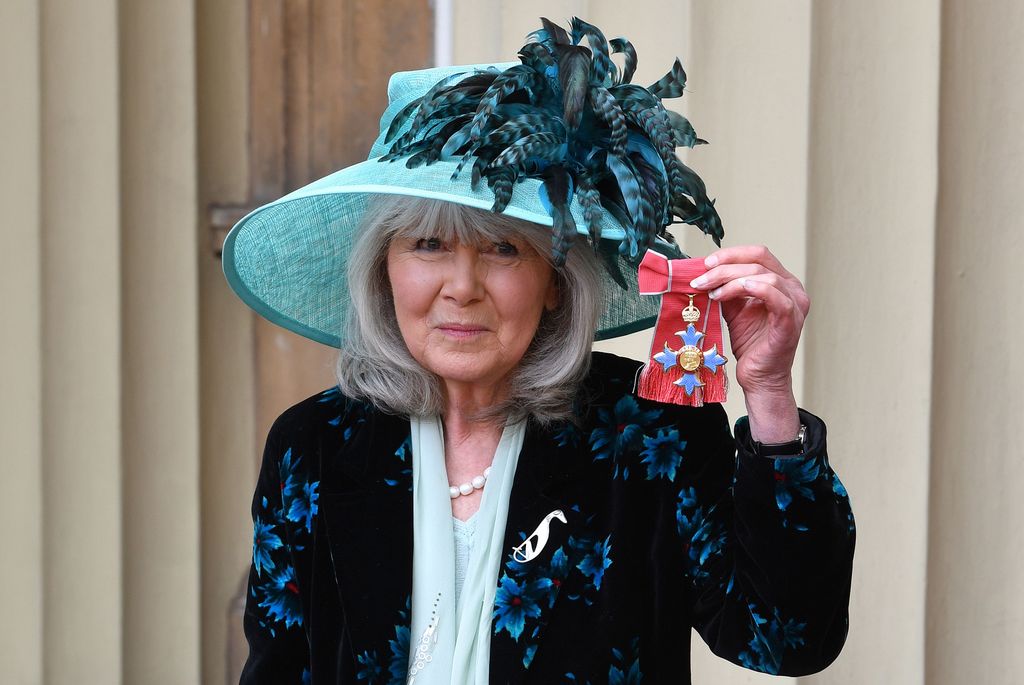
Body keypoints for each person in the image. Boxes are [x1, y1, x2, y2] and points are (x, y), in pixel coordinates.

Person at [223, 17, 854, 685]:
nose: (461, 287)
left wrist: (769, 395)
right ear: (385, 271)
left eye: (503, 248)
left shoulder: (650, 435)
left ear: (555, 281)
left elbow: (786, 638)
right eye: (428, 245)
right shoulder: (314, 447)